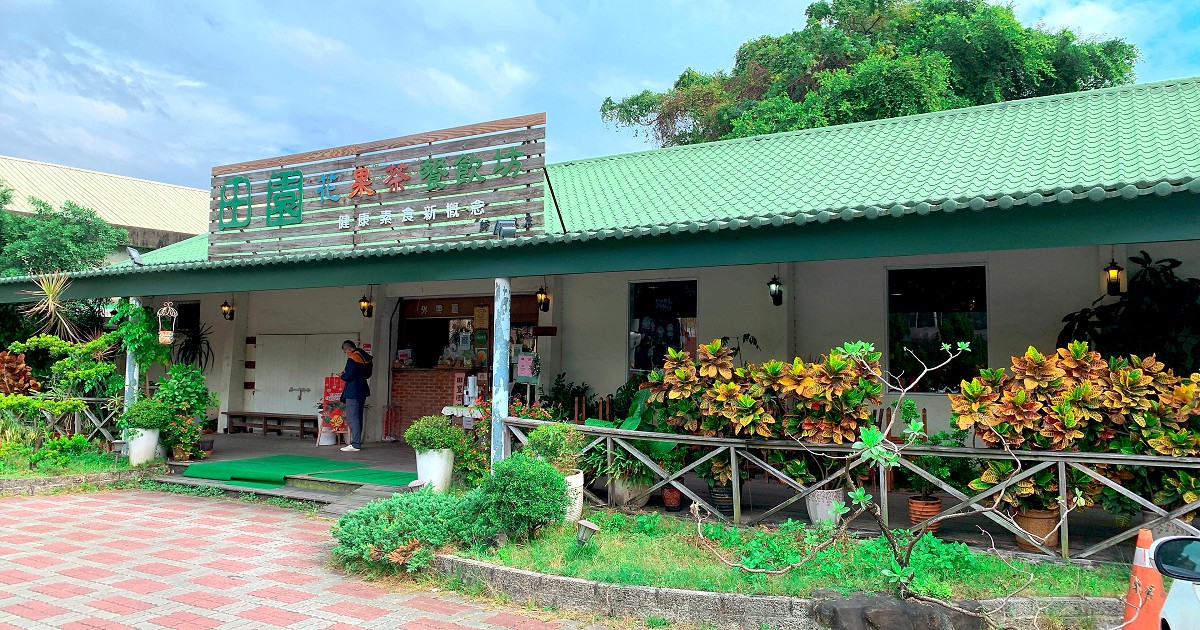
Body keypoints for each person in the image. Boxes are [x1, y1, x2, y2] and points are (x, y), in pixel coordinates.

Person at [339, 340, 372, 452]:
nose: (346, 353)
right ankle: (357, 441)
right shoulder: (365, 357)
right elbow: (368, 375)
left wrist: (342, 375)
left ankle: (355, 444)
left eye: (345, 351)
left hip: (353, 391)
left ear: (348, 349)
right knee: (358, 417)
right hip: (362, 389)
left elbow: (349, 375)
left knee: (352, 417)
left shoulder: (353, 358)